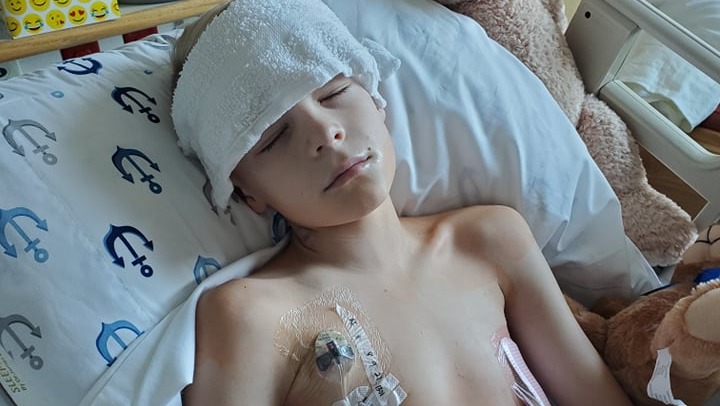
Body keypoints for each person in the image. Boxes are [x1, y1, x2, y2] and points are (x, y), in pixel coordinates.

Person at [170, 0, 634, 405]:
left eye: (334, 92)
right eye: (273, 136)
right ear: (245, 191)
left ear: (375, 97)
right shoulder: (252, 317)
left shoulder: (491, 241)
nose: (326, 133)